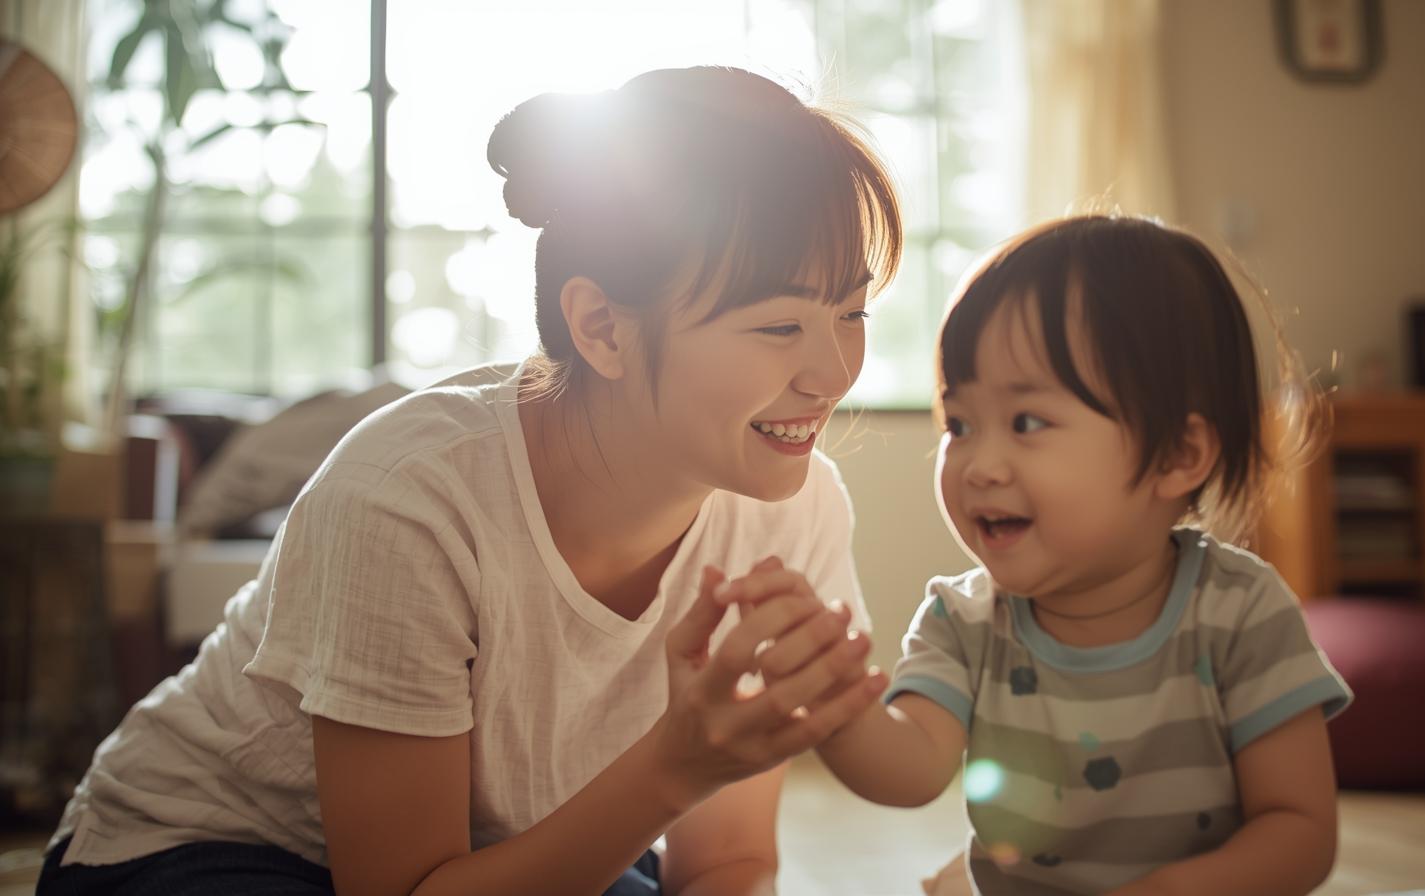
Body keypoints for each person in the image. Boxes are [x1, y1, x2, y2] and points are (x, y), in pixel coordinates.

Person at [37, 66, 902, 896]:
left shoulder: (792, 507)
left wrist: (685, 778)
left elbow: (723, 864)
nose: (833, 373)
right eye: (780, 324)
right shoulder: (411, 497)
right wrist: (673, 768)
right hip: (210, 846)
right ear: (602, 327)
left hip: (501, 857)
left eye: (851, 313)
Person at [721, 215, 1352, 895]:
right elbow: (911, 770)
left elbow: (1299, 831)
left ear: (1179, 455)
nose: (980, 465)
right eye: (960, 424)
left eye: (1027, 423)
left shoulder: (1241, 612)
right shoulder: (964, 621)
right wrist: (833, 701)